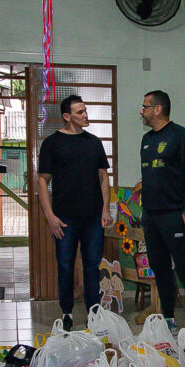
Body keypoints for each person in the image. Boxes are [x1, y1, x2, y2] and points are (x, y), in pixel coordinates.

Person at [36, 95, 112, 331]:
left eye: (85, 111)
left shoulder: (94, 142)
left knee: (92, 265)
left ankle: (93, 312)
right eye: (79, 112)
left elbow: (103, 178)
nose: (85, 115)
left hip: (92, 217)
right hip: (64, 218)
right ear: (67, 117)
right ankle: (67, 312)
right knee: (66, 265)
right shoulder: (52, 143)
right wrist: (50, 217)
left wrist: (106, 208)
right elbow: (42, 181)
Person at [138, 90, 185, 337]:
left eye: (145, 106)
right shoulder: (146, 140)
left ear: (158, 109)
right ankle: (168, 319)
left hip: (175, 214)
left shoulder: (182, 137)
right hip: (151, 216)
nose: (141, 110)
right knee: (160, 268)